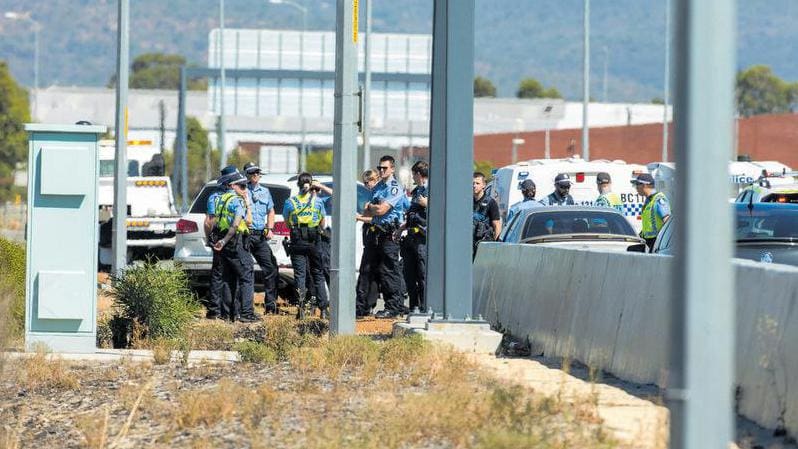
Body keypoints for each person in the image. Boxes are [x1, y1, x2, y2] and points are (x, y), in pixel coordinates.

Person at [360, 155, 408, 318]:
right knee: (366, 270)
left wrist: (373, 207)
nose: (381, 170)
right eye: (379, 168)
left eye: (384, 168)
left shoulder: (394, 187)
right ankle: (361, 306)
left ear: (392, 169)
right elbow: (367, 210)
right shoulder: (378, 187)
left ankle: (393, 307)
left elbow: (381, 210)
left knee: (389, 271)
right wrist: (374, 207)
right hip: (375, 233)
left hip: (388, 233)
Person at [211, 171, 258, 322]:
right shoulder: (237, 201)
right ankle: (246, 314)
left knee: (228, 278)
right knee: (247, 276)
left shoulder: (219, 199)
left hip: (224, 241)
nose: (245, 189)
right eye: (242, 186)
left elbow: (212, 221)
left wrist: (219, 240)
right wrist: (224, 240)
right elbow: (236, 224)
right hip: (234, 241)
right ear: (232, 186)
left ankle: (227, 314)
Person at [283, 172, 329, 319]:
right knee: (318, 274)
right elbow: (323, 223)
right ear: (311, 185)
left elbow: (287, 221)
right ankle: (323, 309)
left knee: (300, 275)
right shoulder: (318, 202)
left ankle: (301, 309)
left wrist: (296, 227)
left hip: (297, 240)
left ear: (298, 185)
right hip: (314, 239)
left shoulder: (290, 202)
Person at [242, 162, 280, 314]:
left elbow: (271, 211)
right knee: (245, 270)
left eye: (257, 172)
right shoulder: (242, 191)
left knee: (271, 267)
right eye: (252, 173)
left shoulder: (265, 191)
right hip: (245, 235)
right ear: (246, 175)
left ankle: (270, 306)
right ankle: (244, 307)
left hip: (259, 235)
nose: (255, 175)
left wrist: (270, 228)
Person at [203, 165, 237, 319]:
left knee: (217, 273)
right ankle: (228, 310)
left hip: (218, 237)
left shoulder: (213, 197)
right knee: (231, 275)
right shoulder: (236, 197)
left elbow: (210, 221)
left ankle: (214, 310)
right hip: (234, 237)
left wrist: (209, 238)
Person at [400, 161, 428, 313]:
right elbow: (412, 214)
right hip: (411, 237)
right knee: (410, 274)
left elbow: (441, 208)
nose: (412, 177)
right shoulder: (417, 191)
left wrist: (427, 203)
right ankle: (414, 306)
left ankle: (424, 307)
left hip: (422, 239)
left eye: (413, 174)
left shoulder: (432, 189)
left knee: (422, 274)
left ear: (419, 174)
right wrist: (401, 229)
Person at [355, 170, 382, 317]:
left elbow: (376, 218)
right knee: (368, 273)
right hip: (370, 238)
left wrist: (360, 217)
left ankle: (363, 306)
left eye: (369, 181)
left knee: (368, 273)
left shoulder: (379, 194)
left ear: (375, 179)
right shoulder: (372, 195)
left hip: (377, 238)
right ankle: (364, 306)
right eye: (365, 183)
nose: (367, 185)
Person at [632, 173, 671, 251]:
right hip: (649, 242)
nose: (636, 188)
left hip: (657, 243)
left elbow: (667, 222)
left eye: (637, 185)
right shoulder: (649, 200)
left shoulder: (659, 200)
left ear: (645, 185)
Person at [473, 172, 501, 258]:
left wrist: (494, 244)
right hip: (468, 245)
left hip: (483, 246)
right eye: (473, 183)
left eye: (477, 183)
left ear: (484, 185)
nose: (474, 186)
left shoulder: (491, 203)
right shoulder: (467, 201)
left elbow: (497, 225)